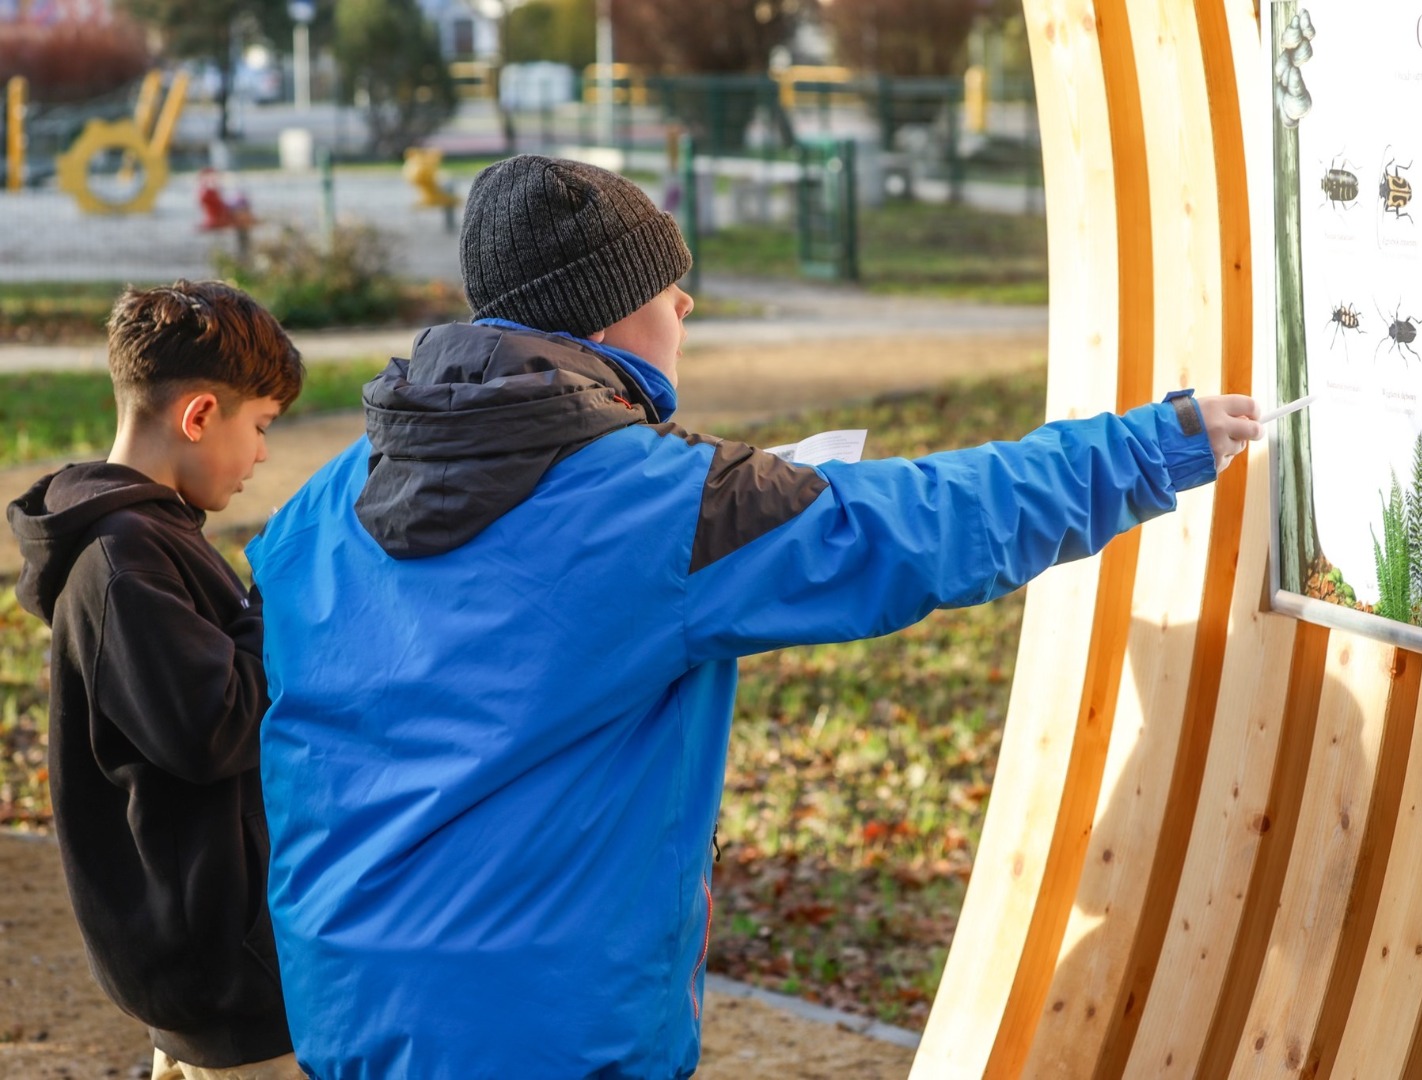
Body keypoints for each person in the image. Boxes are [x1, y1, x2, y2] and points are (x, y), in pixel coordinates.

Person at [246, 155, 1261, 1079]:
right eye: (665, 286)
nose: (684, 300)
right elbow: (921, 527)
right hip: (545, 1030)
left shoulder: (317, 509)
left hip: (352, 1002)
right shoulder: (663, 505)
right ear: (605, 319)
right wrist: (1141, 450)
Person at [6, 282, 307, 1080]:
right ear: (200, 415)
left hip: (212, 965)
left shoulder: (151, 536)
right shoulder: (122, 561)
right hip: (219, 979)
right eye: (262, 427)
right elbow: (212, 726)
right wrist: (278, 595)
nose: (263, 456)